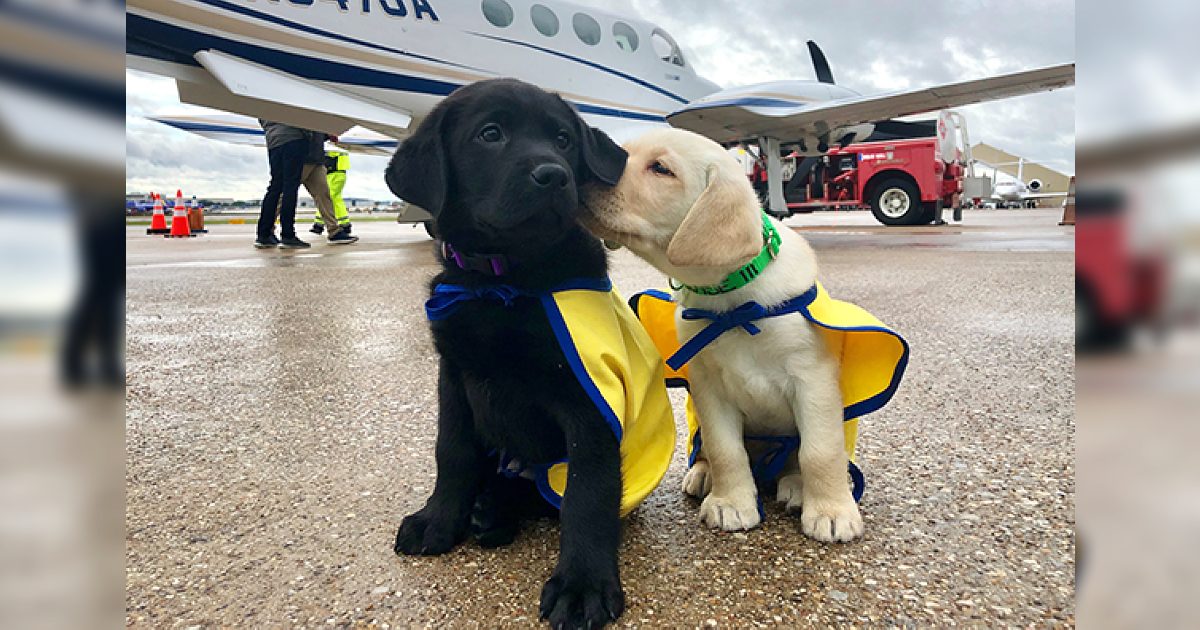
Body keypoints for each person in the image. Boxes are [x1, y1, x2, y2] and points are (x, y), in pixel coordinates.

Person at [279, 131, 358, 244]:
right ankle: (267, 230)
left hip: (317, 159)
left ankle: (334, 231)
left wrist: (326, 136)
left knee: (324, 194)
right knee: (285, 194)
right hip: (303, 158)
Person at [256, 120, 309, 249]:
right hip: (292, 137)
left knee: (275, 186)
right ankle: (288, 234)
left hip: (273, 140)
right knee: (290, 187)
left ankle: (264, 233)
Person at [309, 149, 353, 236]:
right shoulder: (340, 145)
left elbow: (331, 152)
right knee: (333, 198)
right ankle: (343, 223)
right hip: (336, 172)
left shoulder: (334, 146)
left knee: (327, 198)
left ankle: (320, 224)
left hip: (335, 172)